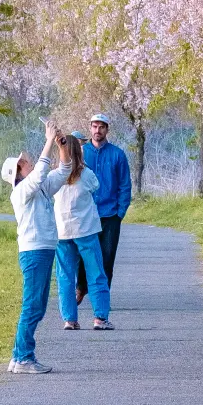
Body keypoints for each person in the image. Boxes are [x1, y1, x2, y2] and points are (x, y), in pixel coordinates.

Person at [1, 123, 72, 375]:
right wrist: (49, 140)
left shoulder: (38, 187)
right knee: (32, 305)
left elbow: (64, 170)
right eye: (24, 162)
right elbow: (41, 171)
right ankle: (23, 358)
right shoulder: (21, 191)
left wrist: (61, 145)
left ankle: (19, 356)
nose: (28, 161)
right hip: (33, 251)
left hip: (43, 249)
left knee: (38, 305)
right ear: (19, 173)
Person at [54, 135, 113, 331]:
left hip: (62, 231)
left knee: (65, 275)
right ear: (79, 152)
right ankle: (100, 317)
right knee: (95, 272)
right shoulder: (86, 175)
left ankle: (69, 319)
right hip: (86, 230)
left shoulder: (55, 175)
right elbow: (96, 186)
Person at [79, 113, 132, 301]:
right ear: (90, 128)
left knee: (107, 258)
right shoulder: (82, 152)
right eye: (94, 126)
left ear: (107, 129)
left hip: (110, 215)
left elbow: (125, 185)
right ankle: (81, 288)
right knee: (83, 254)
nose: (97, 130)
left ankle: (102, 296)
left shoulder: (117, 154)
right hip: (85, 213)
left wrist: (120, 212)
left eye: (101, 127)